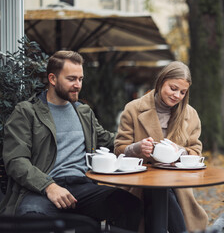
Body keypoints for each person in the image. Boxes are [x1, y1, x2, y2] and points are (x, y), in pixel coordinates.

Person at [0, 50, 142, 231]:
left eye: (80, 79)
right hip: (41, 189)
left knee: (129, 205)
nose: (78, 85)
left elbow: (107, 140)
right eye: (71, 79)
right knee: (31, 218)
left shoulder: (83, 111)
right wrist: (49, 186)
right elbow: (16, 160)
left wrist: (135, 147)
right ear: (52, 79)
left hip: (83, 187)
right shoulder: (27, 112)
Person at [114, 61, 208, 232]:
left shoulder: (190, 114)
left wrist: (180, 152)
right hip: (139, 184)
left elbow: (195, 150)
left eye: (182, 92)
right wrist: (137, 148)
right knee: (155, 188)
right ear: (160, 82)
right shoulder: (133, 109)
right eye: (173, 88)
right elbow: (119, 148)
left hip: (177, 184)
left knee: (161, 190)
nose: (177, 95)